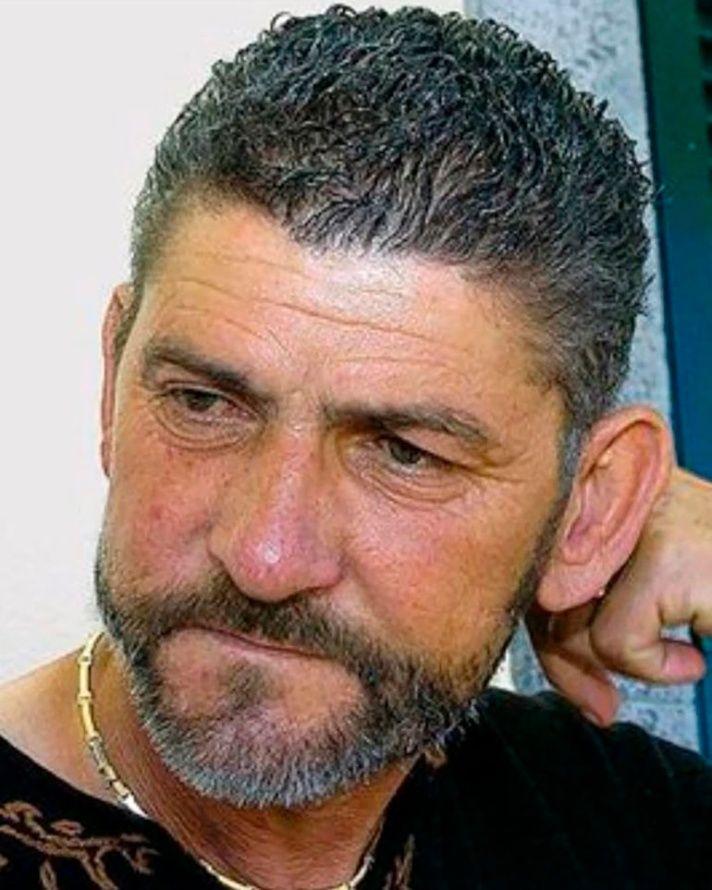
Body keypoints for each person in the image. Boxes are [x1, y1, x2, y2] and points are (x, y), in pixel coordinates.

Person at [0, 7, 710, 888]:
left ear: (591, 507)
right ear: (115, 380)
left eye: (405, 452)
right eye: (203, 404)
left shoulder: (631, 829)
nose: (265, 558)